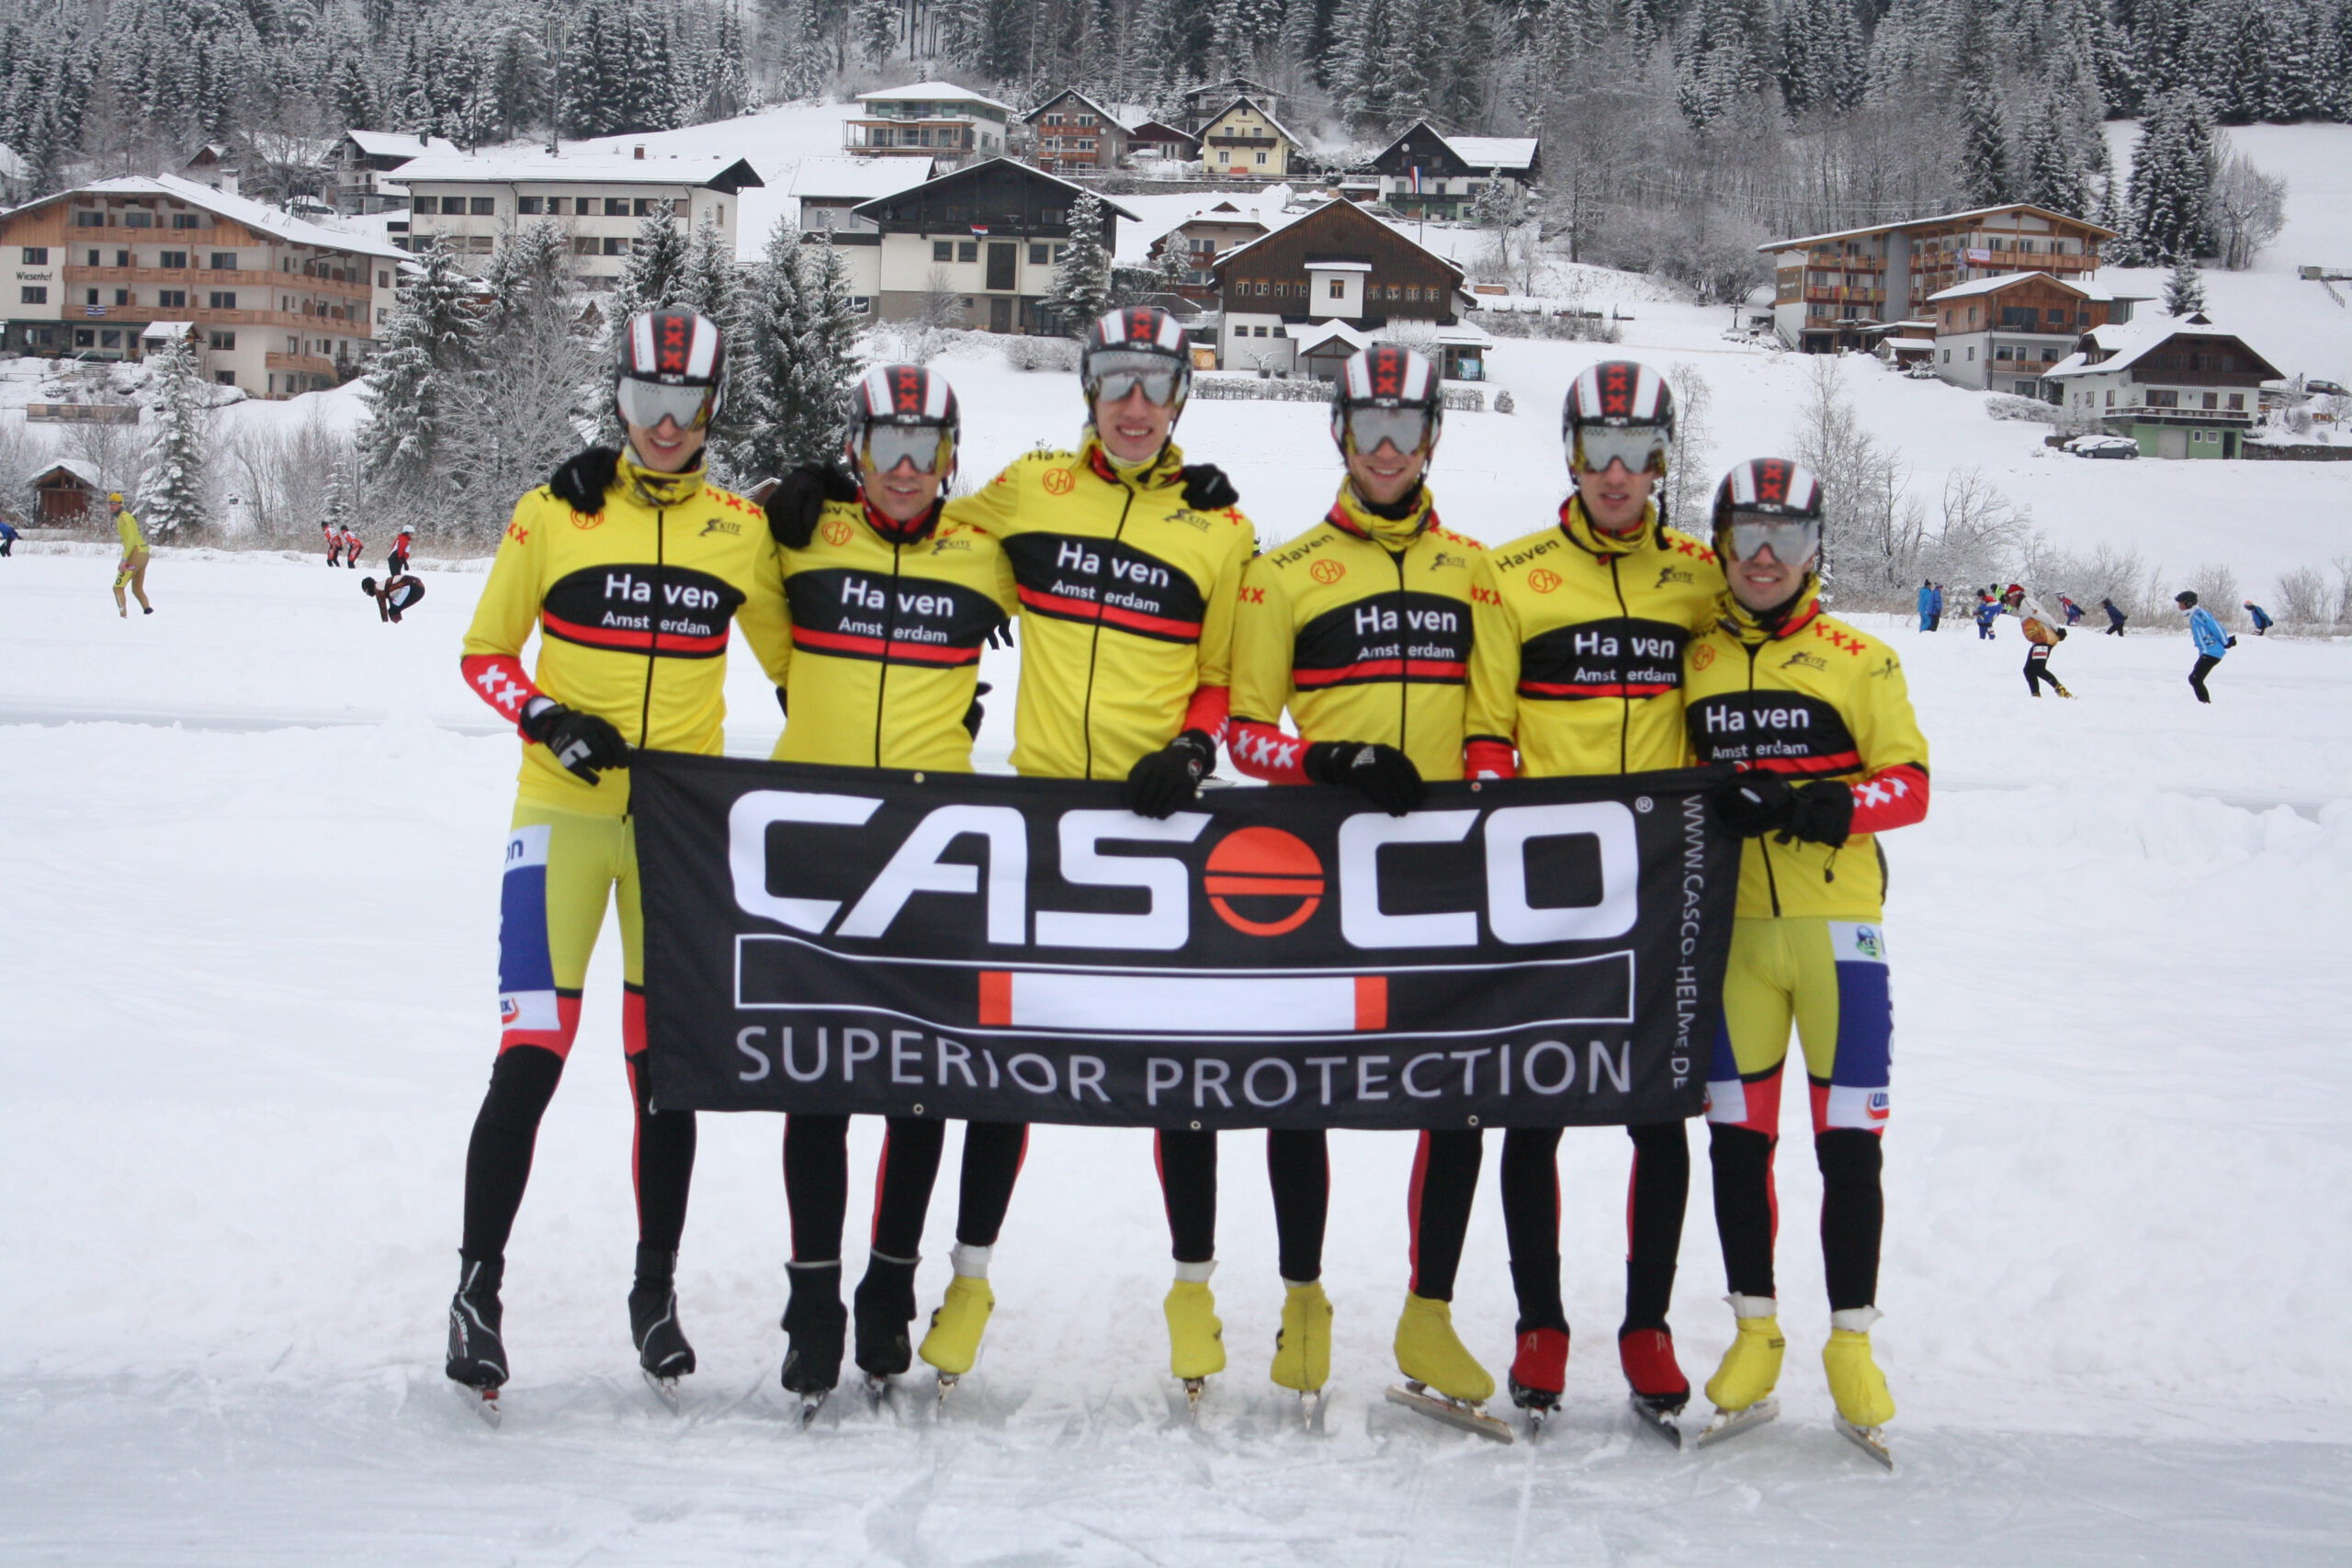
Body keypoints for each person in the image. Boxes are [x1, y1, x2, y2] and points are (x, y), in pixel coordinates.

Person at [767, 305, 1250, 1396]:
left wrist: (1195, 744)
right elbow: (917, 518)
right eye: (1116, 381)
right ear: (1088, 391)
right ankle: (963, 1283)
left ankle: (1192, 1291)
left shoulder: (1220, 526)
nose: (1134, 405)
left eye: (1155, 384)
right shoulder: (1032, 488)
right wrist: (814, 484)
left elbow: (1224, 673)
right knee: (995, 1068)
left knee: (1182, 1075)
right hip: (1033, 826)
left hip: (1155, 828)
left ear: (1181, 396)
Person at [443, 308, 793, 1408]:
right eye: (647, 402)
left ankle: (654, 1294)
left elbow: (802, 668)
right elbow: (483, 654)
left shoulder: (739, 530)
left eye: (686, 404)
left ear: (714, 407)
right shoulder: (553, 510)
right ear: (618, 399)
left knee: (665, 1071)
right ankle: (476, 1293)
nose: (665, 426)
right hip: (561, 819)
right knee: (530, 1056)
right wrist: (546, 716)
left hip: (675, 836)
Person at [1464, 359, 1724, 1427]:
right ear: (1569, 456)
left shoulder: (1702, 577)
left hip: (1664, 888)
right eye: (1596, 451)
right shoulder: (1511, 574)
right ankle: (1541, 1322)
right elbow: (1486, 733)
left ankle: (1645, 1327)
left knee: (1658, 1115)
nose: (1615, 474)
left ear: (1661, 461)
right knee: (1534, 1110)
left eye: (1636, 453)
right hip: (1552, 889)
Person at [1225, 345, 1483, 1408]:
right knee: (1301, 1088)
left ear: (1432, 439)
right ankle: (1302, 1297)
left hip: (1443, 871)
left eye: (1404, 428)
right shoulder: (1282, 573)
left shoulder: (1477, 571)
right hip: (1322, 868)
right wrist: (1325, 760)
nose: (1386, 448)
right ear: (1339, 434)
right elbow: (1246, 734)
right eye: (1367, 427)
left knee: (1459, 1095)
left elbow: (1502, 724)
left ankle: (1430, 1315)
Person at [759, 364, 1023, 1406]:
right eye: (884, 447)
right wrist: (780, 487)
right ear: (854, 451)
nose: (905, 469)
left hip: (930, 846)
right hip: (815, 846)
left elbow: (1097, 566)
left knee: (921, 1085)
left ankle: (887, 1286)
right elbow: (689, 523)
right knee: (819, 1086)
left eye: (926, 448)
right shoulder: (805, 532)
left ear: (951, 459)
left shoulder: (983, 550)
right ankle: (812, 1301)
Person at [1682, 457, 1930, 1455]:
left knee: (1848, 1146)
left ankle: (1851, 1343)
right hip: (1734, 937)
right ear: (1720, 544)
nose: (1764, 556)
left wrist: (1824, 803)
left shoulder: (1860, 659)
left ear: (1814, 548)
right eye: (1746, 535)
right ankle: (1755, 1332)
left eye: (1785, 536)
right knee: (1738, 1144)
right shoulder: (1695, 657)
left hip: (1840, 941)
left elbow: (1909, 785)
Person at [2000, 586, 2072, 698]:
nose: (2008, 602)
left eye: (2008, 599)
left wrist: (2058, 629)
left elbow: (2044, 616)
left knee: (2038, 668)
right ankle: (2036, 697)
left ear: (2015, 596)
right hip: (2039, 640)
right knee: (2028, 670)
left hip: (2043, 639)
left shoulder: (2025, 603)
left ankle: (2062, 691)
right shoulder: (2022, 605)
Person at [2177, 591, 2231, 703]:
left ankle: (2205, 704)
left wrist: (2225, 642)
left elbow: (2216, 627)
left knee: (2195, 679)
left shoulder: (2200, 614)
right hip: (2208, 652)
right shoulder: (2194, 615)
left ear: (2189, 603)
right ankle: (2204, 703)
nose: (2179, 607)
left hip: (2212, 652)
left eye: (2181, 604)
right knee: (2195, 678)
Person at [111, 492, 153, 616]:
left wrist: (124, 559)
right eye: (110, 504)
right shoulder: (128, 516)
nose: (111, 507)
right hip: (144, 553)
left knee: (118, 587)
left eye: (114, 504)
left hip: (136, 553)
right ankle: (148, 611)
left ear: (121, 504)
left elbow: (131, 539)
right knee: (137, 588)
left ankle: (122, 616)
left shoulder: (123, 517)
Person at [361, 572, 425, 624]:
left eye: (366, 591)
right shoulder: (383, 587)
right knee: (395, 609)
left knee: (393, 611)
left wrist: (384, 624)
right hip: (421, 588)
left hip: (411, 586)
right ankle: (401, 626)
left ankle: (397, 628)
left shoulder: (378, 589)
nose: (367, 594)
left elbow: (383, 611)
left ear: (368, 588)